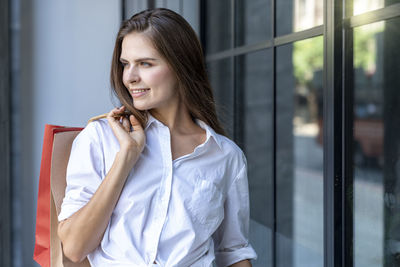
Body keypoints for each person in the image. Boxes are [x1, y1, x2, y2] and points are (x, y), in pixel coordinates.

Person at [57, 8, 257, 267]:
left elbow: (234, 251)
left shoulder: (225, 156)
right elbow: (74, 248)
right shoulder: (100, 138)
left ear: (181, 66)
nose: (130, 77)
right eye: (125, 64)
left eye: (145, 64)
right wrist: (125, 159)